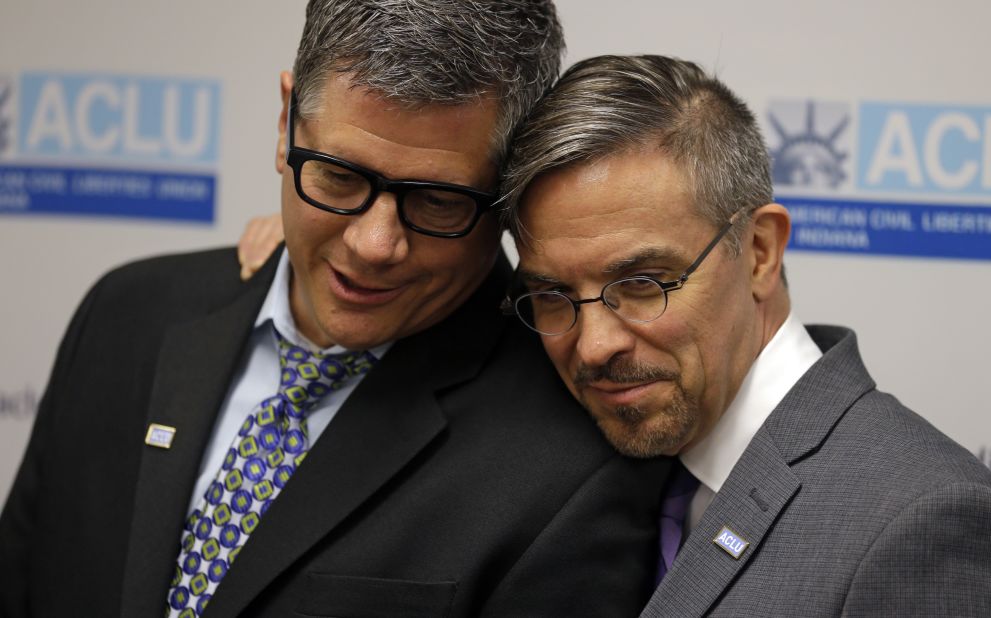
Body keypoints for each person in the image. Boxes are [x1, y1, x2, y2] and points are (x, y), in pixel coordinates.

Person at [0, 4, 672, 617]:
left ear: (509, 192)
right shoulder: (126, 315)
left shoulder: (572, 468)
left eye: (437, 201)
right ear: (285, 119)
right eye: (339, 176)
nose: (373, 245)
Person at [497, 55, 991, 616]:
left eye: (644, 282)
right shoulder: (614, 478)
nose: (594, 346)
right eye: (551, 296)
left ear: (760, 252)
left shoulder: (930, 528)